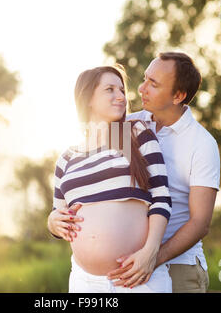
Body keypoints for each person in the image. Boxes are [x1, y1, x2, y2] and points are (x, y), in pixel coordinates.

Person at [47, 64, 173, 293]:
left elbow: (161, 199)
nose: (121, 97)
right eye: (110, 90)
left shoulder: (136, 135)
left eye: (122, 90)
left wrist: (150, 253)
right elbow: (58, 215)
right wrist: (52, 223)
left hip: (138, 277)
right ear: (88, 99)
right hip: (85, 282)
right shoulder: (67, 158)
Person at [106, 52, 220, 293]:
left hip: (177, 267)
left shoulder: (202, 144)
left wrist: (152, 258)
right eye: (145, 78)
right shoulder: (128, 126)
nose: (140, 88)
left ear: (178, 96)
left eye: (153, 84)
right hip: (128, 266)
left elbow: (200, 223)